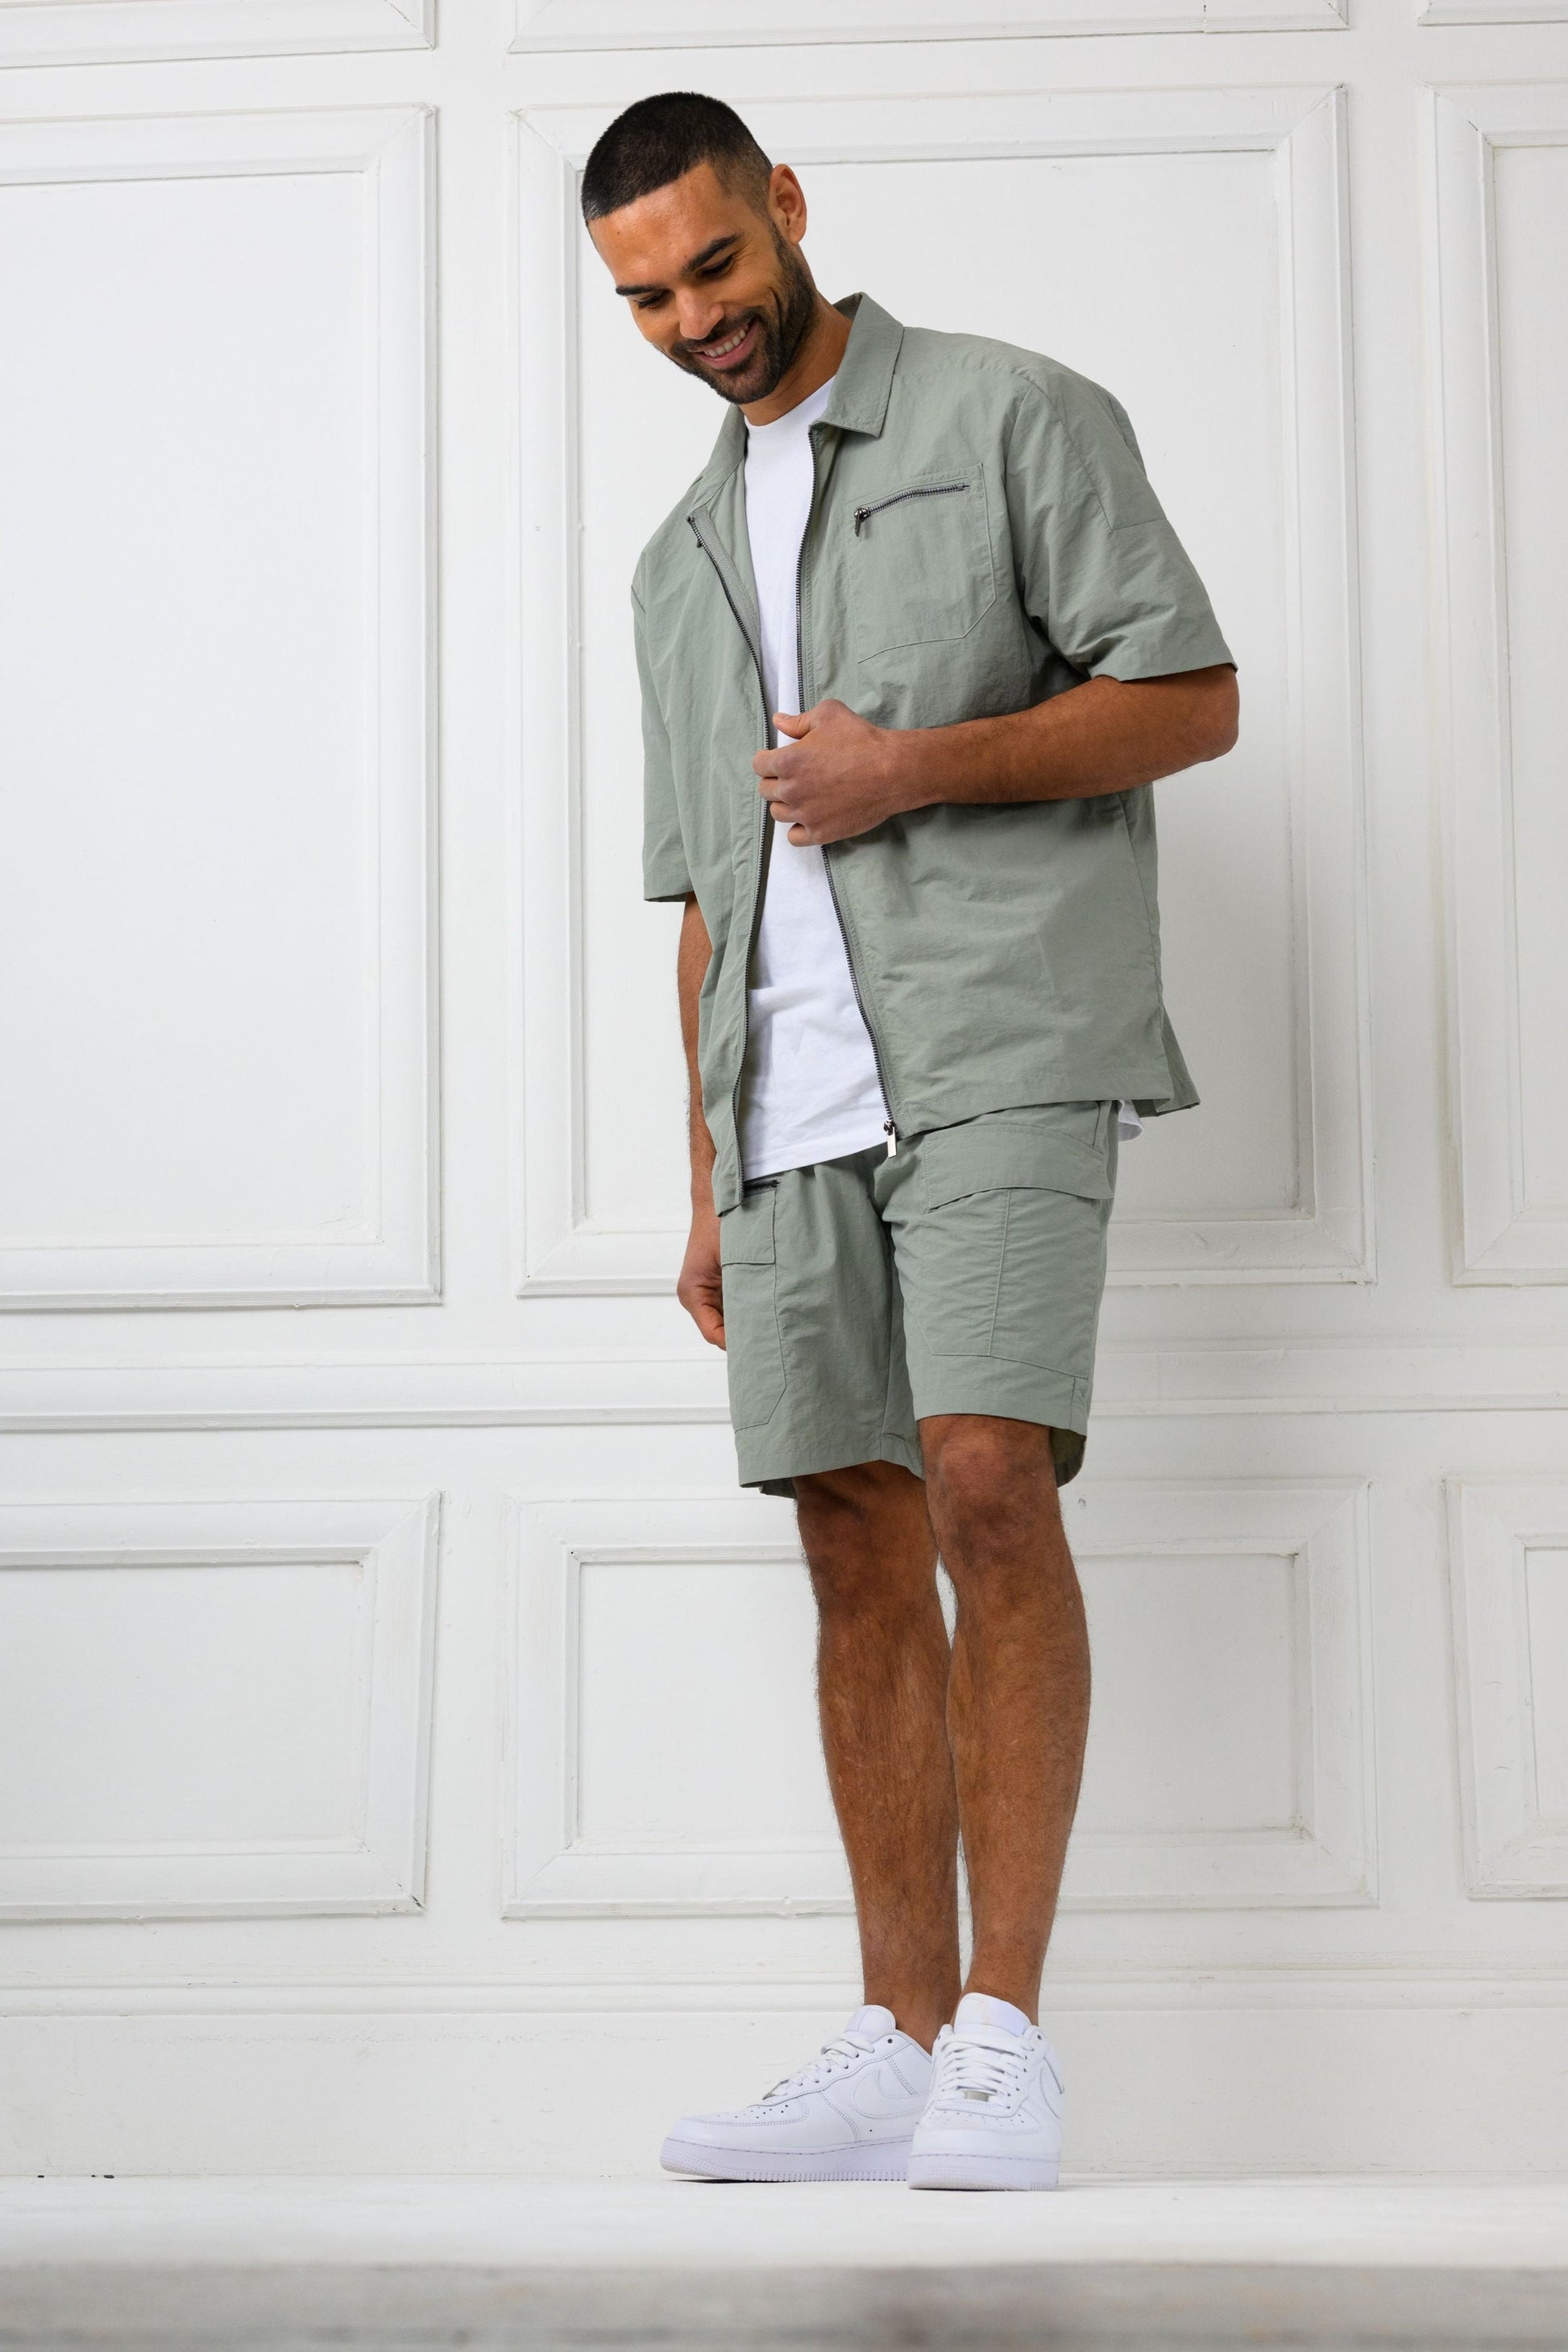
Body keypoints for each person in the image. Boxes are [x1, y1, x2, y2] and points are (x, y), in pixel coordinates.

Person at [583, 91, 1238, 2192]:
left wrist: (911, 770)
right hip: (782, 1100)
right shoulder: (675, 563)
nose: (696, 318)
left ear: (785, 207)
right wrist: (704, 1180)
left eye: (714, 263)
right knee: (851, 1532)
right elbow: (706, 891)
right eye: (646, 298)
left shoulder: (1014, 414)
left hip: (999, 1043)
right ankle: (898, 2035)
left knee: (981, 1477)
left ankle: (1006, 2044)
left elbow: (1190, 694)